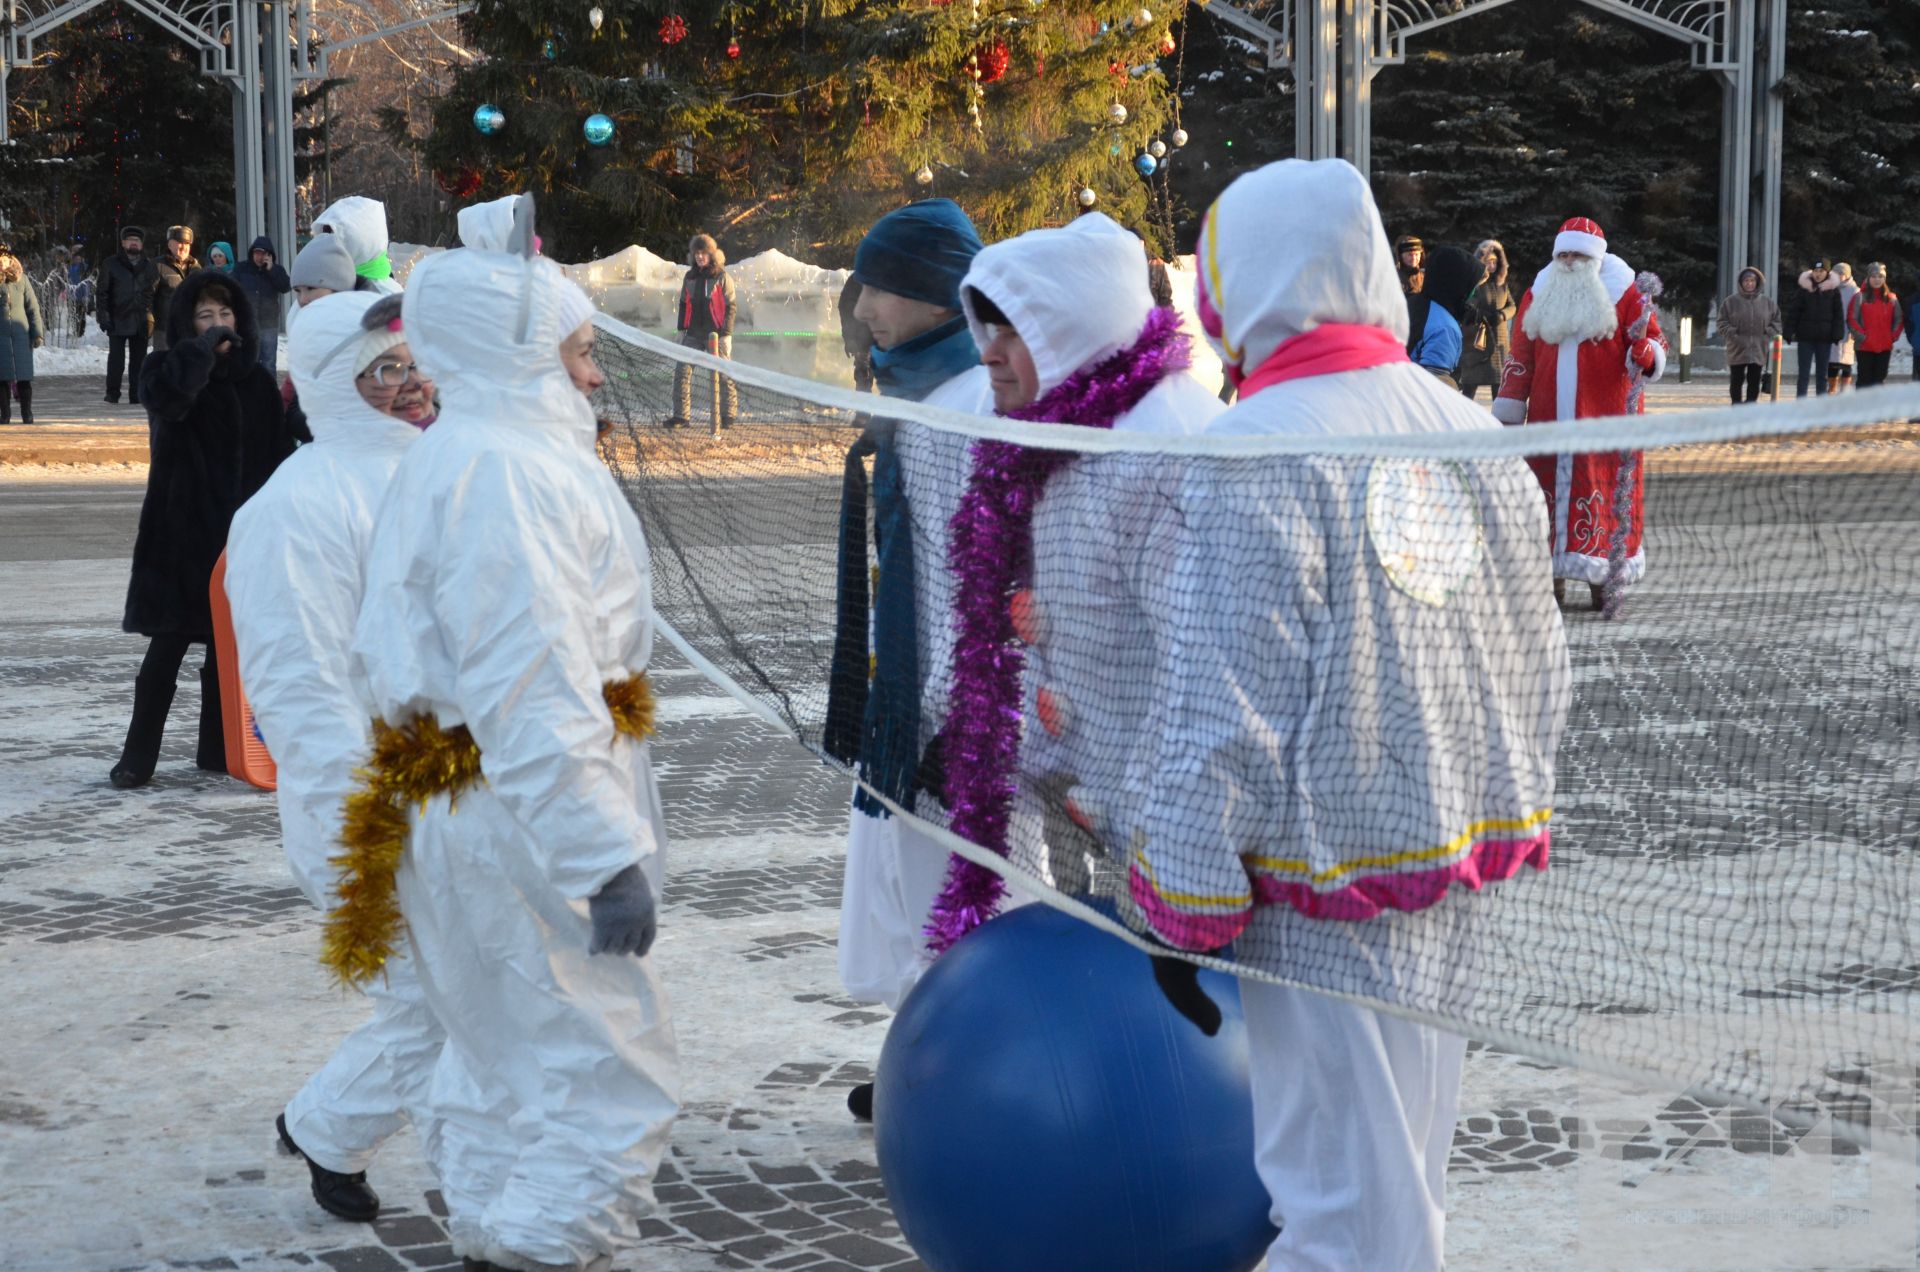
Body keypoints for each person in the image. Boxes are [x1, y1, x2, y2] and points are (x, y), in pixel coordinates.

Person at [1139, 156, 1569, 1272]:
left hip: (1318, 889)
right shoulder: (1470, 429)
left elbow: (1222, 699)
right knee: (1399, 1182)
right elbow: (1541, 659)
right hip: (1444, 862)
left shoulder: (1251, 449)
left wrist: (1183, 893)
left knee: (1339, 1207)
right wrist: (1496, 791)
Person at [348, 239, 677, 1272]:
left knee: (497, 1067)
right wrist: (601, 855)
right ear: (520, 353)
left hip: (467, 804)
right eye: (579, 349)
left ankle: (495, 1243)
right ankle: (535, 1253)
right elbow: (528, 683)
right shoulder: (511, 472)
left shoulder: (473, 452)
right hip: (519, 814)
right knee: (599, 1078)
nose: (593, 373)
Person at [940, 211, 1222, 936]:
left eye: (1013, 332)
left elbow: (1205, 665)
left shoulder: (1165, 444)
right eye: (986, 330)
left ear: (1070, 332)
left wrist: (1151, 817)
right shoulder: (1042, 438)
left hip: (1170, 830)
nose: (988, 357)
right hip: (1082, 794)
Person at [225, 292, 442, 1227]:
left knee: (460, 996)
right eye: (381, 371)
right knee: (441, 1003)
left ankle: (326, 1127)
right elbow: (301, 689)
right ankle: (328, 1129)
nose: (407, 385)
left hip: (459, 792)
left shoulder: (440, 471)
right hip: (365, 808)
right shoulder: (296, 507)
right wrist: (369, 820)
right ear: (329, 386)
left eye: (409, 363)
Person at [824, 198, 992, 1123]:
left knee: (952, 900)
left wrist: (943, 707)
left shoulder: (965, 410)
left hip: (949, 709)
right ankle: (922, 1063)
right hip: (911, 698)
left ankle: (957, 1084)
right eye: (864, 287)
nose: (866, 309)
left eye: (883, 288)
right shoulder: (916, 394)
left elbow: (975, 578)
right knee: (908, 890)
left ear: (936, 296)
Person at [111, 271, 299, 788]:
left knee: (227, 655)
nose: (219, 325)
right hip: (180, 539)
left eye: (226, 315)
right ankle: (136, 758)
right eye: (205, 316)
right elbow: (167, 401)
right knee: (164, 654)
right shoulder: (164, 367)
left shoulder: (257, 383)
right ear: (186, 323)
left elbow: (281, 455)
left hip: (238, 544)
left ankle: (218, 750)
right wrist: (197, 354)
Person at [1492, 217, 1667, 611]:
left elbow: (1654, 341)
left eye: (1578, 255)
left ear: (1595, 259)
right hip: (1547, 422)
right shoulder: (1539, 293)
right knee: (1541, 498)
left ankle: (1604, 581)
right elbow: (1521, 355)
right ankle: (1547, 579)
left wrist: (1646, 353)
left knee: (1601, 494)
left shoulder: (1628, 294)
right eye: (1564, 254)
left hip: (1606, 423)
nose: (1570, 262)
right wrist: (1509, 409)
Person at [668, 232, 737, 428]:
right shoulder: (689, 277)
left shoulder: (722, 277)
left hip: (716, 334)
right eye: (697, 253)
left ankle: (728, 415)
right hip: (694, 333)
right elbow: (683, 304)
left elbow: (731, 306)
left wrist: (726, 334)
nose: (700, 257)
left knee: (724, 372)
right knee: (682, 370)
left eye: (704, 253)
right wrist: (682, 330)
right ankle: (681, 416)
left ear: (711, 255)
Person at [98, 225, 158, 404]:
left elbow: (154, 292)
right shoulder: (111, 264)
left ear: (141, 244)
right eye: (130, 240)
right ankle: (112, 393)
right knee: (116, 361)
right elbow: (102, 293)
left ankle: (136, 394)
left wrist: (151, 316)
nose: (134, 243)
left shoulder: (149, 265)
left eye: (137, 240)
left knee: (139, 361)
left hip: (141, 320)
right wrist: (104, 316)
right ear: (123, 243)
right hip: (117, 318)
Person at [1456, 239, 1517, 401]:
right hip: (1478, 340)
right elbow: (1468, 305)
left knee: (1499, 389)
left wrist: (1502, 315)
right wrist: (1481, 314)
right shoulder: (1475, 284)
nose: (1492, 265)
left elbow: (1512, 305)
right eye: (1488, 261)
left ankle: (1498, 422)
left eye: (1495, 262)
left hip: (1499, 341)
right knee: (1469, 388)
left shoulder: (1502, 284)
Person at [1409, 246, 1474, 387]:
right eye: (1472, 286)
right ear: (1457, 284)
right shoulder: (1444, 327)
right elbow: (1436, 386)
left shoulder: (1414, 303)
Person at [311, 195, 403, 295]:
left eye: (334, 237)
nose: (328, 247)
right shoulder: (319, 288)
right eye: (325, 237)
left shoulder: (385, 294)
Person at [1717, 267, 1780, 404]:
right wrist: (1731, 333)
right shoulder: (1730, 302)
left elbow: (1777, 322)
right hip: (1737, 348)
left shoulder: (1768, 303)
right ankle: (1736, 408)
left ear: (1757, 282)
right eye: (1746, 280)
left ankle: (1750, 407)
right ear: (1741, 282)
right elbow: (1722, 322)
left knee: (1754, 381)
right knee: (1736, 381)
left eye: (1752, 280)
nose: (1749, 283)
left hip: (1758, 348)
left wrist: (1767, 333)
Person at [1783, 259, 1844, 397]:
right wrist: (1789, 330)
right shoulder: (1804, 290)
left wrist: (1837, 333)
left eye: (1821, 271)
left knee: (1822, 374)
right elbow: (1794, 312)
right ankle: (1801, 402)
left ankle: (1820, 404)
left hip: (1824, 338)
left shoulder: (1833, 292)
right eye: (1816, 271)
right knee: (1803, 373)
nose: (1818, 274)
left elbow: (1838, 315)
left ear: (1827, 273)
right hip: (1805, 337)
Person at [0, 241, 44, 425]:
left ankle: (27, 413)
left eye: (4, 256)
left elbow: (32, 307)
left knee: (24, 378)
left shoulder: (21, 279)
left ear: (9, 257)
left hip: (21, 334)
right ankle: (5, 415)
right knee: (2, 378)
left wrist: (37, 333)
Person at [233, 236, 293, 370]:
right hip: (248, 323)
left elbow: (285, 287)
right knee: (249, 361)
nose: (259, 257)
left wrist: (271, 269)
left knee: (268, 362)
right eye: (257, 253)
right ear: (252, 253)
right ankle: (250, 390)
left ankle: (268, 390)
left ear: (270, 255)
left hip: (269, 324)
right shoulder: (241, 269)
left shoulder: (277, 270)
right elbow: (232, 288)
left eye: (263, 253)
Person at [1846, 261, 1903, 390]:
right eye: (1874, 276)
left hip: (1884, 346)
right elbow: (1851, 319)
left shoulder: (1891, 298)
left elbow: (1898, 319)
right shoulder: (1859, 297)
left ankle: (1876, 408)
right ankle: (1862, 407)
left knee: (1879, 379)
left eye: (1880, 276)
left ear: (1884, 278)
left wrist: (1892, 336)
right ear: (1868, 277)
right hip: (1864, 346)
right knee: (1864, 379)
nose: (1877, 279)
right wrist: (1863, 337)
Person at [150, 225, 201, 353]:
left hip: (189, 328)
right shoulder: (158, 265)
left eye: (186, 243)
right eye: (179, 242)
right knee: (165, 365)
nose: (183, 247)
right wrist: (149, 319)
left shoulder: (196, 268)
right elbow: (147, 295)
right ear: (169, 244)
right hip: (164, 329)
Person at [837, 274, 874, 393]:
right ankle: (863, 410)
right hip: (864, 341)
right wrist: (850, 338)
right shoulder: (857, 279)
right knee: (864, 376)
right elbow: (845, 307)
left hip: (882, 339)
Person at [1829, 261, 1860, 392]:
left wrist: (1855, 328)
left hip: (1848, 330)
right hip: (1833, 328)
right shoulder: (1830, 287)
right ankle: (1832, 388)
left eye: (1839, 274)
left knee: (1846, 362)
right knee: (1832, 362)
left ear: (1846, 275)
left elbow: (1858, 311)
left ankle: (1845, 389)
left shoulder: (1855, 290)